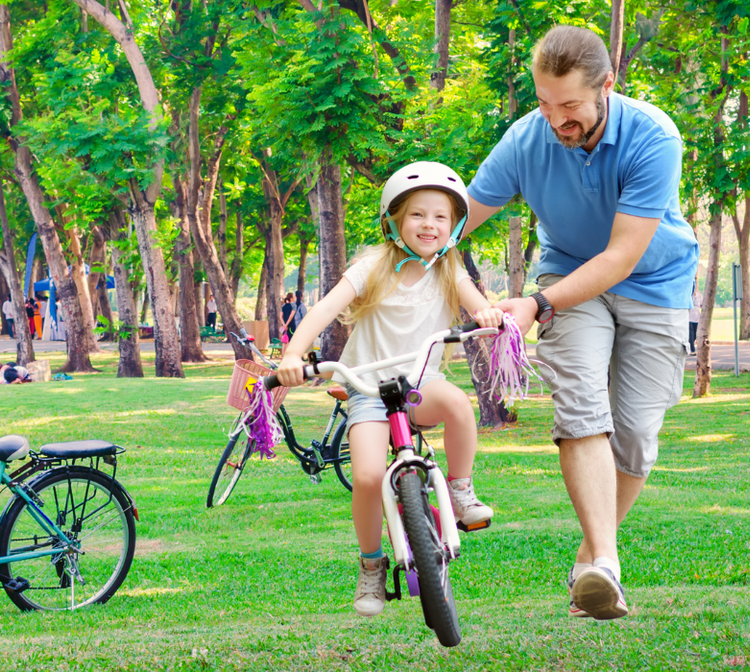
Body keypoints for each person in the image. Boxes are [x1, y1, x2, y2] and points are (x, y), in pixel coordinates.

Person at [467, 26, 698, 621]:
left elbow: (622, 256)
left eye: (569, 105)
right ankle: (605, 568)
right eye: (545, 103)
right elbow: (458, 216)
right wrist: (404, 240)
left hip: (654, 284)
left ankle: (587, 562)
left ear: (607, 87)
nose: (556, 119)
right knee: (581, 408)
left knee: (637, 437)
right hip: (569, 283)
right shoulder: (526, 138)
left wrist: (535, 306)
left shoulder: (654, 135)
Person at [274, 161, 506, 619]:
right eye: (418, 214)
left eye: (441, 216)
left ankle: (459, 490)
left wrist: (489, 316)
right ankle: (371, 564)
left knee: (459, 405)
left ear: (455, 225)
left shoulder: (449, 269)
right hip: (368, 389)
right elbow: (322, 311)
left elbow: (480, 306)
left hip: (422, 385)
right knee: (365, 478)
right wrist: (292, 355)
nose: (429, 225)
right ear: (394, 220)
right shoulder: (372, 267)